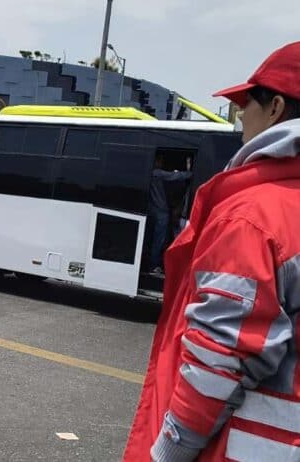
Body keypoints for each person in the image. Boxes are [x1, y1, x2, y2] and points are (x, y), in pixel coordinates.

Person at [123, 41, 300, 462]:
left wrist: (167, 451)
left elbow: (220, 358)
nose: (239, 115)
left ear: (275, 108)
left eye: (245, 102)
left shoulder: (253, 215)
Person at [148, 155, 192, 273]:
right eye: (160, 160)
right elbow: (175, 176)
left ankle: (153, 263)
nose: (161, 162)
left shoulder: (149, 173)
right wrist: (191, 173)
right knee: (159, 240)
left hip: (151, 210)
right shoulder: (156, 173)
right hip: (161, 212)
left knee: (153, 238)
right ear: (156, 161)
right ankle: (153, 265)